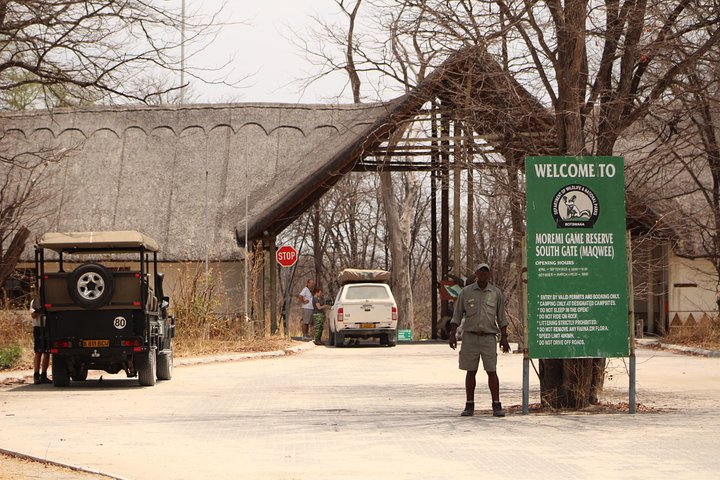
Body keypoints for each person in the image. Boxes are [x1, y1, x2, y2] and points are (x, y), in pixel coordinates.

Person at [448, 263, 510, 417]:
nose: (483, 274)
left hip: (489, 337)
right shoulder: (466, 292)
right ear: (476, 273)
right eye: (480, 272)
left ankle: (496, 405)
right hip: (470, 336)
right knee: (471, 371)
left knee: (492, 371)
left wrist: (504, 338)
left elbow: (501, 317)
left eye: (486, 272)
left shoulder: (496, 293)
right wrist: (452, 334)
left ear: (489, 275)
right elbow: (457, 315)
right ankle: (469, 405)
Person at [30, 299, 52, 384]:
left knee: (47, 352)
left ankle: (43, 375)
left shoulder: (50, 299)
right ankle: (36, 375)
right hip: (38, 327)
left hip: (48, 327)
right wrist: (41, 309)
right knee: (38, 352)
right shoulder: (35, 301)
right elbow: (33, 315)